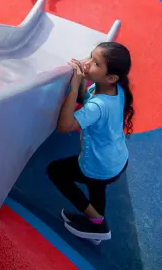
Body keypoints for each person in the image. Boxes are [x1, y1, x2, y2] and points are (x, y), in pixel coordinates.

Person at [47, 42, 133, 243]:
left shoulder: (99, 105)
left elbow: (64, 126)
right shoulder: (113, 89)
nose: (87, 63)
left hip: (99, 164)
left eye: (95, 63)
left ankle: (98, 223)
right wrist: (82, 82)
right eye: (90, 56)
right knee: (96, 188)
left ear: (111, 77)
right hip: (116, 160)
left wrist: (75, 83)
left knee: (56, 171)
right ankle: (95, 227)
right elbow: (85, 99)